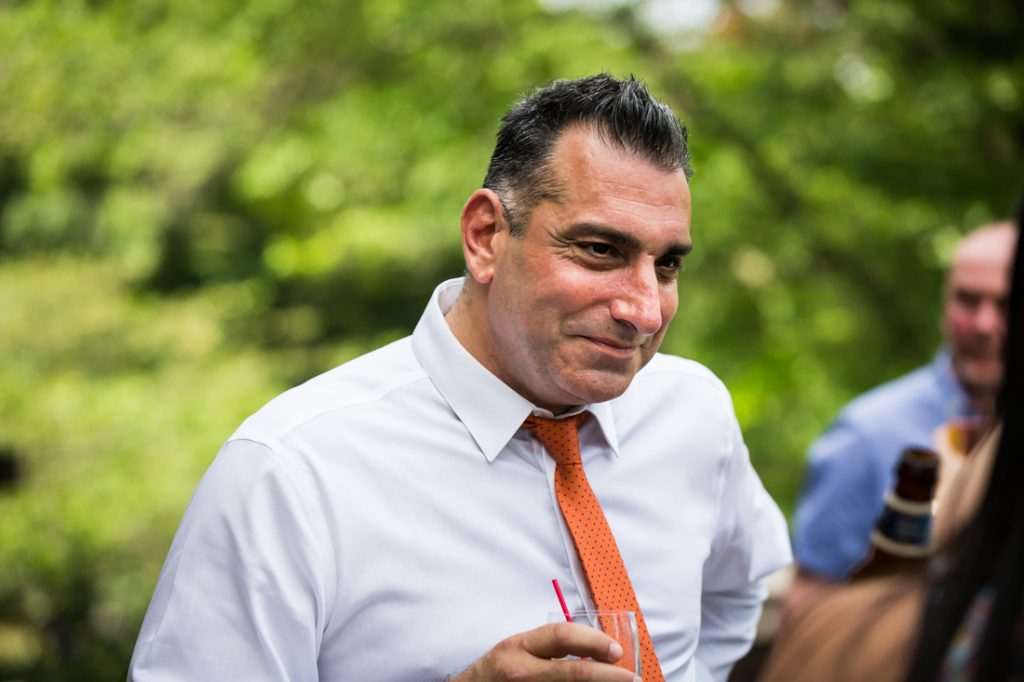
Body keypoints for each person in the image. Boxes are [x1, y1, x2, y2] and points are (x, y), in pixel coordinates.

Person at [128, 75, 790, 681]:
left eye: (667, 265)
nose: (644, 309)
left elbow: (738, 592)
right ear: (484, 237)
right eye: (599, 251)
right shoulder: (295, 472)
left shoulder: (693, 413)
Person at [759, 209, 1021, 682]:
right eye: (968, 300)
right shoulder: (869, 432)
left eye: (1005, 305)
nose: (984, 324)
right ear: (944, 303)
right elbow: (809, 608)